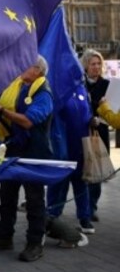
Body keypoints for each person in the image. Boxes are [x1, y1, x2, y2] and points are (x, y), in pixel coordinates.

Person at [0, 56, 53, 263]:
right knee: (7, 195)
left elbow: (29, 121)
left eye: (27, 64)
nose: (21, 66)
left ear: (38, 70)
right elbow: (3, 105)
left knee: (34, 199)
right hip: (14, 148)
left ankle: (35, 243)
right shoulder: (19, 87)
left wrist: (0, 109)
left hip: (34, 152)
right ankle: (4, 237)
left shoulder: (43, 93)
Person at [45, 86, 94, 235]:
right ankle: (52, 216)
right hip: (62, 145)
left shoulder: (82, 90)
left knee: (81, 182)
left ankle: (84, 217)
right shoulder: (57, 88)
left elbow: (87, 112)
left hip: (80, 145)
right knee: (59, 183)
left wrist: (92, 120)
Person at [82, 49, 108, 222]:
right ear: (86, 66)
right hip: (81, 132)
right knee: (81, 174)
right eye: (93, 64)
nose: (96, 67)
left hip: (100, 134)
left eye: (99, 64)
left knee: (96, 176)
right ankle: (83, 208)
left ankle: (91, 208)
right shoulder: (79, 84)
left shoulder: (107, 85)